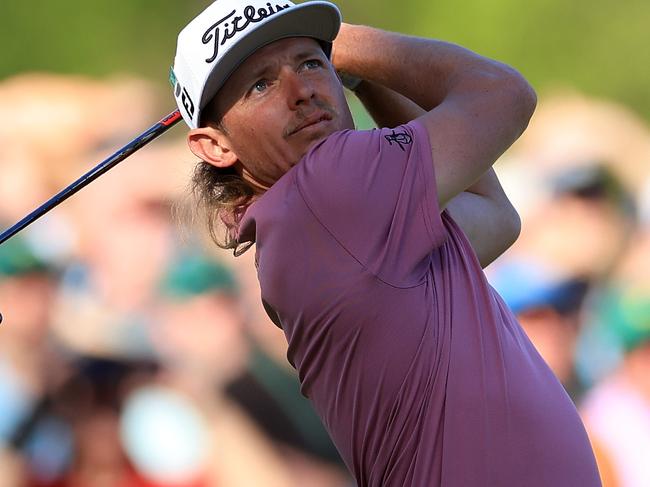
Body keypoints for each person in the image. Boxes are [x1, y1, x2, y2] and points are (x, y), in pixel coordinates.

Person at [170, 1, 601, 485]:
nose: (301, 90)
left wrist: (364, 81)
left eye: (311, 63)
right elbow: (505, 94)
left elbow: (496, 218)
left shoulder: (320, 220)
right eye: (261, 84)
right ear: (214, 145)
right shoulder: (329, 184)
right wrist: (349, 44)